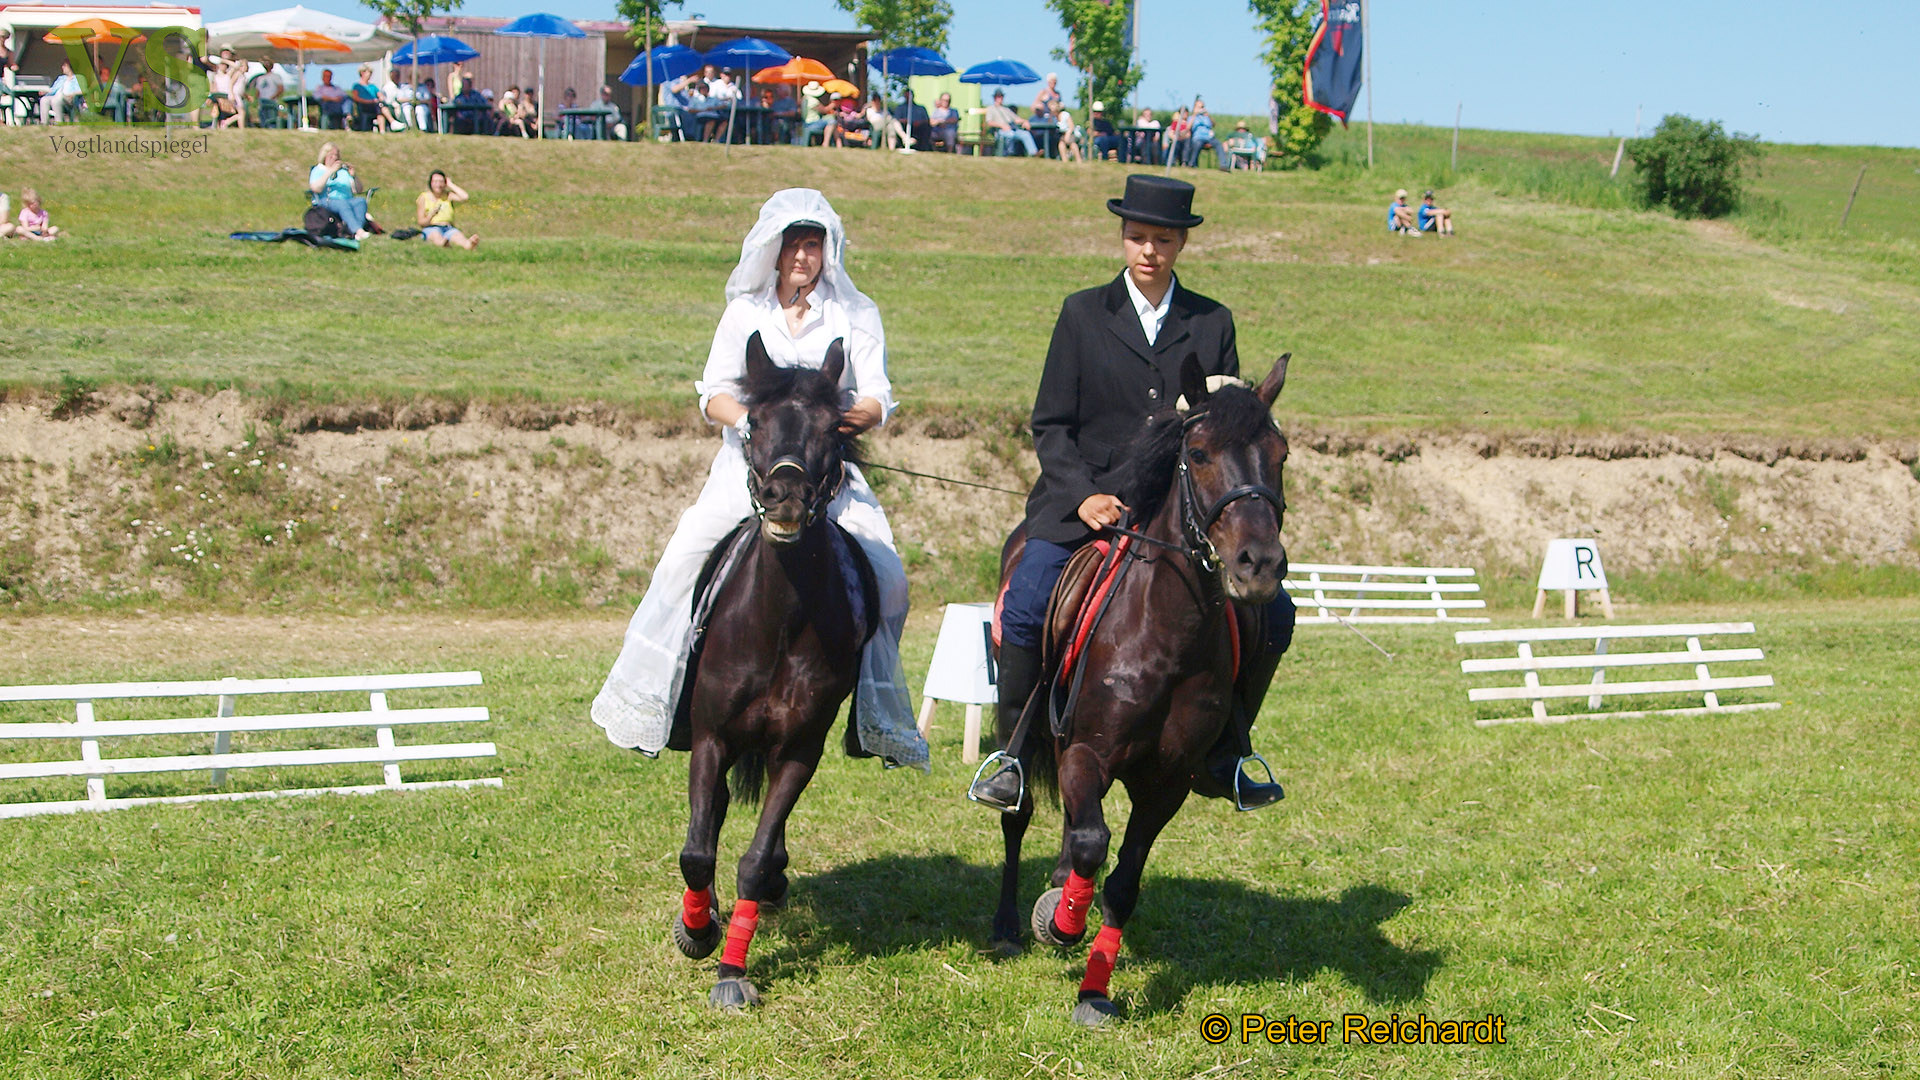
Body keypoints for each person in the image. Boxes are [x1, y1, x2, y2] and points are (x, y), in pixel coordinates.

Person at [973, 174, 1292, 811]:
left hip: (1178, 512)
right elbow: (1051, 424)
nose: (1149, 250)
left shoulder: (1212, 321)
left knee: (1274, 613)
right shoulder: (1082, 314)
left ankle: (1229, 746)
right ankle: (1010, 751)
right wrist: (1083, 496)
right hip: (1083, 502)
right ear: (1123, 237)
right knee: (1028, 598)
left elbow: (1223, 429)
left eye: (1163, 239)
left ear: (1181, 244)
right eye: (1138, 237)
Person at [591, 188, 928, 772]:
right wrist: (758, 425)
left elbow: (877, 396)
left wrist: (828, 428)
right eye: (794, 244)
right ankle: (662, 699)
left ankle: (868, 716)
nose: (803, 256)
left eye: (813, 245)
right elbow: (713, 393)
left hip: (825, 475)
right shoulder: (745, 311)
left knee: (891, 581)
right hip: (746, 469)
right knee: (678, 561)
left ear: (828, 252)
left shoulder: (856, 313)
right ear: (773, 250)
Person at [308, 142, 370, 241]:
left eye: (336, 156)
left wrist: (354, 176)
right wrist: (330, 171)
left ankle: (355, 230)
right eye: (331, 156)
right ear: (324, 156)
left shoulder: (343, 172)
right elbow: (316, 188)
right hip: (327, 200)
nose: (334, 158)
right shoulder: (318, 169)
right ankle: (358, 231)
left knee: (360, 201)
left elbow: (358, 190)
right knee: (342, 204)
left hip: (347, 199)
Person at [416, 170, 478, 250]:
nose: (438, 185)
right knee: (436, 236)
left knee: (458, 237)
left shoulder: (448, 196)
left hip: (448, 228)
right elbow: (421, 222)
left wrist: (450, 184)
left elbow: (465, 197)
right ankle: (444, 243)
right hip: (432, 227)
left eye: (441, 182)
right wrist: (431, 215)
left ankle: (469, 244)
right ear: (430, 183)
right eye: (435, 182)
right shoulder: (424, 198)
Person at [985, 89, 1037, 157]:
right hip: (999, 131)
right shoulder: (991, 109)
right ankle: (1010, 153)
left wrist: (1025, 121)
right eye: (998, 96)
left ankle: (1033, 153)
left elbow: (1016, 119)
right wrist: (1002, 125)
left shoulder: (1006, 109)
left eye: (1001, 96)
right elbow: (989, 122)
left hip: (1011, 128)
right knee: (1010, 134)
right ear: (995, 98)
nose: (1000, 98)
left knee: (1025, 134)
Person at [1185, 98, 1227, 171]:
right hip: (1198, 137)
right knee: (1197, 145)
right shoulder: (1191, 117)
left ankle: (1223, 165)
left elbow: (1214, 124)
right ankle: (1192, 163)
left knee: (1218, 144)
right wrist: (1195, 114)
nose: (1202, 109)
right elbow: (1188, 127)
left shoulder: (1206, 117)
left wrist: (1209, 116)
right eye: (1200, 107)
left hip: (1209, 137)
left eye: (1203, 107)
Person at [349, 65, 380, 132]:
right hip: (363, 105)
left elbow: (380, 95)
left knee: (381, 108)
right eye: (369, 73)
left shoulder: (373, 86)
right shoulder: (357, 86)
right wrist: (369, 101)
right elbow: (355, 98)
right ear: (362, 73)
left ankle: (382, 129)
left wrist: (380, 99)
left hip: (374, 105)